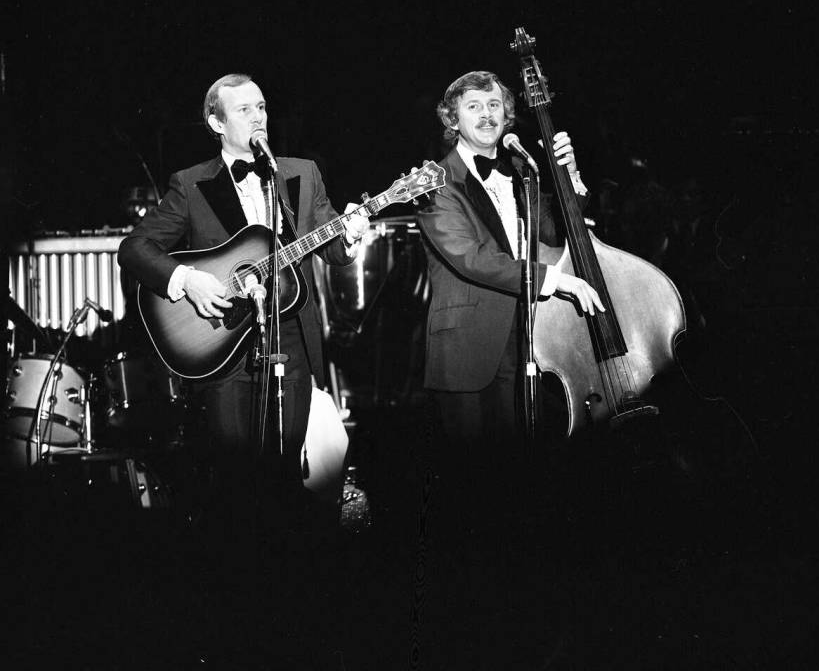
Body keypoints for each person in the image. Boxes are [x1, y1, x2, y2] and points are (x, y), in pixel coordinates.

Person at [118, 73, 368, 531]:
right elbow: (135, 249)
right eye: (244, 110)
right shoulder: (190, 185)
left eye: (262, 107)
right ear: (216, 122)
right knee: (234, 484)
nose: (259, 118)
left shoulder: (302, 172)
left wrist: (348, 234)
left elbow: (330, 246)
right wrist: (186, 279)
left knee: (287, 476)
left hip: (290, 340)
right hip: (221, 344)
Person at [417, 71, 604, 486]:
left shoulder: (522, 167)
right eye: (474, 107)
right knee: (471, 484)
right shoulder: (434, 181)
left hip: (532, 339)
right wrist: (557, 281)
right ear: (452, 121)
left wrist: (571, 178)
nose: (487, 115)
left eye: (494, 105)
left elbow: (555, 233)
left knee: (524, 475)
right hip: (469, 349)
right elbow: (472, 258)